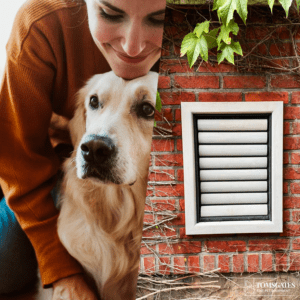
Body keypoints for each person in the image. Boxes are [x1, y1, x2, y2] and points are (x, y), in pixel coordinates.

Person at [0, 0, 166, 299]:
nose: (132, 46)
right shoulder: (42, 23)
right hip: (46, 174)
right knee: (5, 261)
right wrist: (61, 270)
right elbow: (17, 162)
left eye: (159, 19)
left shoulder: (208, 34)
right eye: (111, 14)